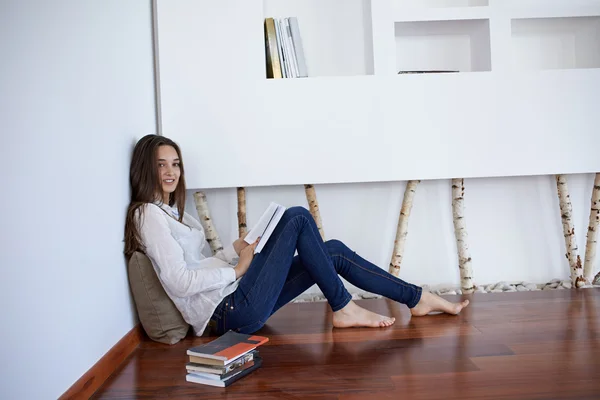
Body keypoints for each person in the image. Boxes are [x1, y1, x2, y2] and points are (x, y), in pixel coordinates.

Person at [124, 134, 469, 336]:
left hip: (235, 296)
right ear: (146, 169)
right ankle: (344, 307)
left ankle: (416, 298)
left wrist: (236, 251)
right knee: (298, 217)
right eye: (161, 165)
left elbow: (196, 264)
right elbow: (180, 282)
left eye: (175, 163)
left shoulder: (175, 213)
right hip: (228, 310)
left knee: (330, 251)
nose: (171, 172)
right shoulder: (147, 216)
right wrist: (238, 270)